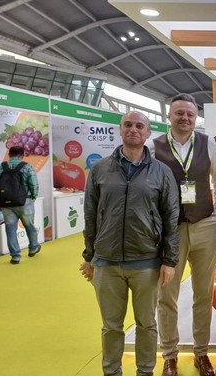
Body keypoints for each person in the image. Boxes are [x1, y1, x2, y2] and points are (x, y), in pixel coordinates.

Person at [80, 111, 180, 376]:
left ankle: (145, 371)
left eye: (139, 126)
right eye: (128, 124)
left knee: (146, 324)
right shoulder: (100, 169)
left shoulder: (161, 172)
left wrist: (169, 260)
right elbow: (90, 214)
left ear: (148, 133)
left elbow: (171, 217)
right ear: (120, 129)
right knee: (111, 326)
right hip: (107, 262)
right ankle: (112, 371)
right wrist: (90, 256)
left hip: (146, 261)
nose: (133, 129)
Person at [154, 93, 216, 376]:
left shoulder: (208, 143)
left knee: (203, 293)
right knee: (166, 294)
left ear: (196, 118)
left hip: (204, 223)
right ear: (169, 116)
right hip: (169, 229)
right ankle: (169, 355)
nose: (185, 118)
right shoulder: (154, 145)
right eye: (179, 113)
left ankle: (201, 352)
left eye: (190, 114)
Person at [0, 145, 40, 264]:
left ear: (9, 154)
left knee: (10, 229)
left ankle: (15, 256)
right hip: (24, 202)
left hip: (6, 204)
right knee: (29, 226)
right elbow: (34, 184)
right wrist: (33, 197)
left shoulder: (0, 167)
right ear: (22, 155)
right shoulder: (27, 167)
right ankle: (33, 248)